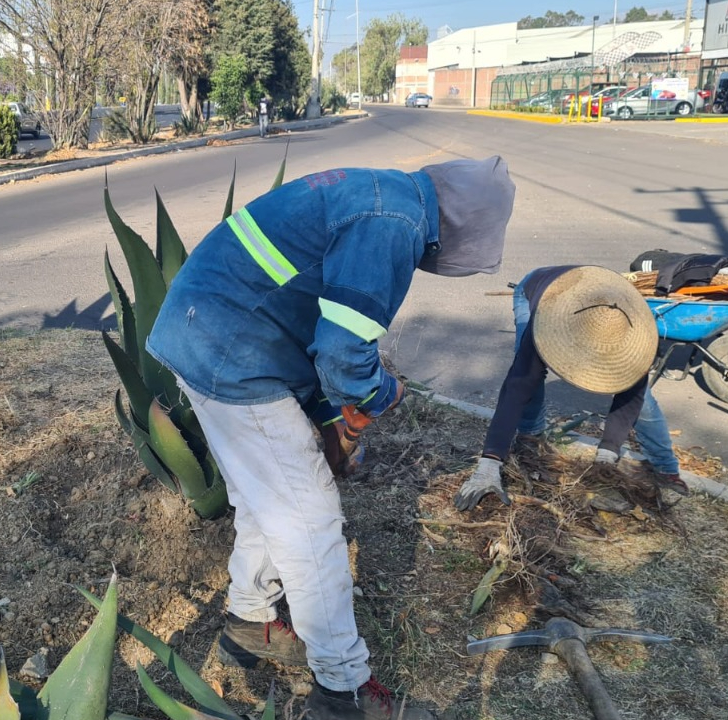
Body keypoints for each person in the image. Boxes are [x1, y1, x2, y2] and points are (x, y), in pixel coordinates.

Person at [146, 158, 515, 719]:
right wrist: (378, 397)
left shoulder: (379, 191)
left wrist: (329, 417)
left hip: (201, 330)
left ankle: (250, 622)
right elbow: (344, 354)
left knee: (263, 499)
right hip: (234, 352)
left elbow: (308, 319)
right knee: (309, 521)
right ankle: (343, 691)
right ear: (460, 224)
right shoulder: (393, 221)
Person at [455, 265, 686, 512]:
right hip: (537, 290)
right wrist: (489, 465)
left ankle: (666, 467)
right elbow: (518, 384)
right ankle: (531, 435)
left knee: (644, 400)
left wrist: (608, 451)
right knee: (529, 373)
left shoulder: (634, 329)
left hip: (601, 300)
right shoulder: (549, 318)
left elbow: (632, 395)